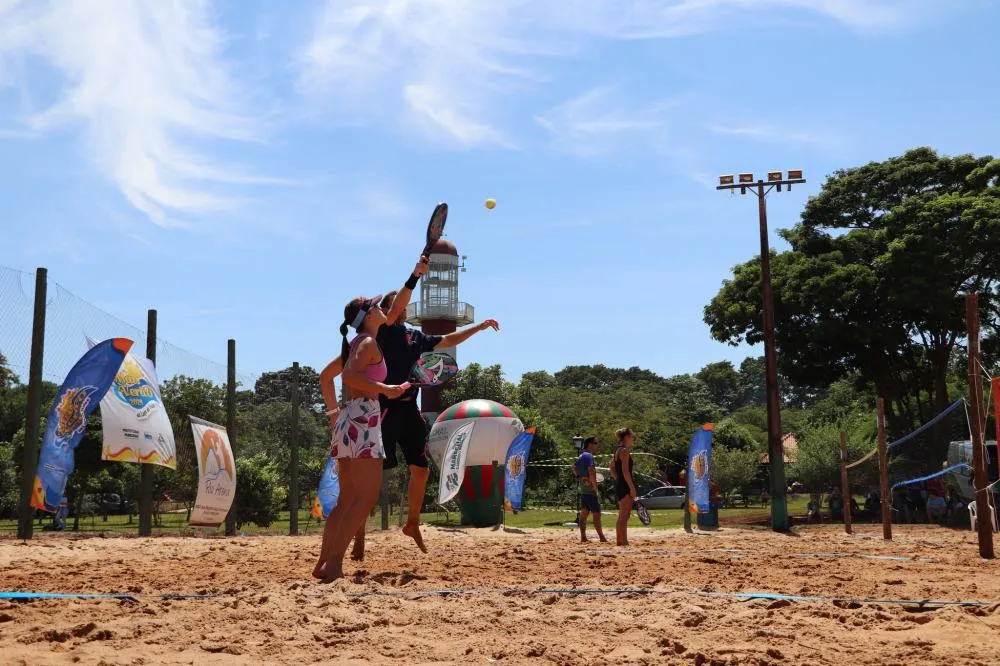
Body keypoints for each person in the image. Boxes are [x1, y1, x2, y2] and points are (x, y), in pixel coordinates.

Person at [320, 271, 500, 557]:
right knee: (368, 484)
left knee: (421, 469)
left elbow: (449, 338)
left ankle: (412, 523)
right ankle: (359, 536)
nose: (398, 308)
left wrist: (477, 328)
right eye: (392, 305)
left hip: (407, 409)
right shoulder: (382, 331)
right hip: (381, 410)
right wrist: (416, 275)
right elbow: (341, 375)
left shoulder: (415, 336)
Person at [312, 294, 408, 582]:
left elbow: (329, 377)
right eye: (377, 306)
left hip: (349, 418)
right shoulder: (366, 343)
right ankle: (334, 565)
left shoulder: (356, 343)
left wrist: (333, 413)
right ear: (367, 316)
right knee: (364, 498)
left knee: (347, 500)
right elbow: (350, 377)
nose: (383, 309)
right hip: (364, 418)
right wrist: (386, 389)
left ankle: (324, 563)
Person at [574, 436, 607, 543]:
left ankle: (583, 537)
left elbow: (574, 468)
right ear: (590, 444)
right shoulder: (588, 456)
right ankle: (602, 538)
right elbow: (591, 470)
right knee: (597, 514)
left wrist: (579, 478)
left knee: (584, 513)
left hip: (583, 490)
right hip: (590, 490)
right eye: (596, 443)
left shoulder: (581, 455)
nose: (598, 446)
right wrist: (594, 486)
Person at [610, 427, 637, 547]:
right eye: (632, 436)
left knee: (622, 515)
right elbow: (626, 472)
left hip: (620, 484)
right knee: (625, 515)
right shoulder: (624, 451)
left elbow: (611, 467)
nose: (633, 438)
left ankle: (619, 541)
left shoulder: (617, 451)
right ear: (626, 437)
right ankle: (624, 541)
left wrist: (617, 479)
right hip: (625, 485)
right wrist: (632, 487)